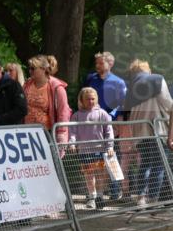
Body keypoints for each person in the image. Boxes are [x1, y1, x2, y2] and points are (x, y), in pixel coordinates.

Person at [123, 59, 172, 208]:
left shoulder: (130, 89)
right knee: (158, 166)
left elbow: (127, 115)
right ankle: (154, 201)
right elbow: (170, 105)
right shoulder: (157, 80)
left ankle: (141, 199)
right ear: (148, 70)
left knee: (144, 164)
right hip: (158, 131)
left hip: (140, 133)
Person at [84, 51, 127, 200]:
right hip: (92, 126)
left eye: (101, 63)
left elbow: (122, 104)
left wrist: (114, 121)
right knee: (93, 158)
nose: (97, 65)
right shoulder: (91, 79)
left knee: (112, 156)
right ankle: (94, 191)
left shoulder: (118, 82)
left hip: (110, 124)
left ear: (111, 64)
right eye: (96, 63)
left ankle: (115, 190)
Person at [69, 88, 114, 210]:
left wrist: (110, 146)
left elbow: (109, 131)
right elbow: (72, 132)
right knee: (89, 174)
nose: (90, 101)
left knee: (100, 173)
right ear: (81, 100)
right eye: (87, 99)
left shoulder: (102, 113)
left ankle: (100, 196)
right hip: (84, 150)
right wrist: (72, 144)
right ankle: (92, 196)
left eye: (93, 99)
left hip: (100, 149)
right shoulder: (76, 116)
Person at [23, 54, 72, 143]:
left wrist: (61, 133)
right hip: (27, 132)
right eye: (29, 68)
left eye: (33, 68)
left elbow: (63, 112)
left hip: (47, 133)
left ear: (43, 69)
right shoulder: (27, 85)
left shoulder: (57, 88)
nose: (30, 71)